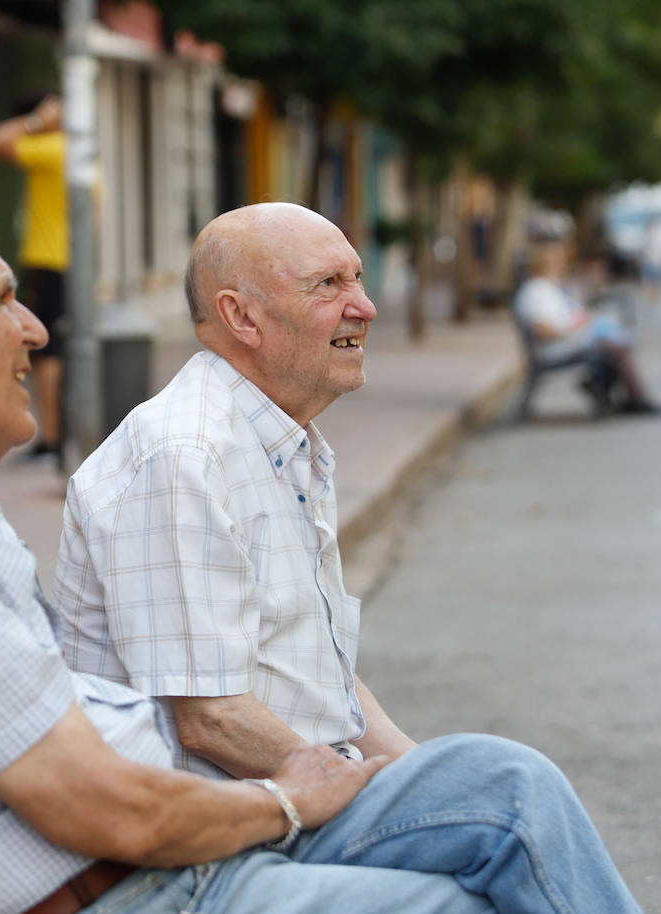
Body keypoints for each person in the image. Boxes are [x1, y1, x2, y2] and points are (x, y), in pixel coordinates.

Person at [0, 183, 643, 914]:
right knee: (480, 868)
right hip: (143, 880)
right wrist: (291, 800)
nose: (36, 329)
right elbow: (119, 806)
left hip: (153, 862)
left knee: (504, 791)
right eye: (7, 301)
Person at [56, 202, 418, 780]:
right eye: (328, 284)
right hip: (236, 833)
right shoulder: (184, 457)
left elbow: (318, 669)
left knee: (493, 777)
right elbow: (210, 719)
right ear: (242, 318)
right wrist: (366, 793)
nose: (365, 307)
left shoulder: (281, 438)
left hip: (305, 792)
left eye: (358, 278)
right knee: (516, 795)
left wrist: (420, 775)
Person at [0, 94, 66, 465]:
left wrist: (35, 120)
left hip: (48, 258)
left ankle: (51, 439)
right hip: (71, 263)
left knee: (45, 353)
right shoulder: (81, 153)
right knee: (59, 350)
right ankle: (57, 436)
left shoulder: (52, 148)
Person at [514, 233, 661, 416]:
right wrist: (575, 329)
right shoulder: (535, 291)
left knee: (615, 338)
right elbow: (542, 329)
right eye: (557, 260)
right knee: (614, 346)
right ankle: (633, 398)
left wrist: (586, 322)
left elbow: (572, 313)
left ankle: (618, 393)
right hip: (556, 346)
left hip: (571, 338)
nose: (562, 264)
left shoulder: (553, 287)